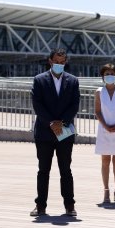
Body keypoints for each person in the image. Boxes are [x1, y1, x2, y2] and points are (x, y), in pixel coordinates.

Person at [30, 48, 80, 217]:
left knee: (66, 170)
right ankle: (40, 205)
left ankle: (69, 205)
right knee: (43, 170)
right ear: (50, 61)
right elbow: (37, 104)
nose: (59, 64)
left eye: (62, 62)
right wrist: (51, 122)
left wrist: (61, 122)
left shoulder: (73, 81)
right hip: (44, 131)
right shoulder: (39, 80)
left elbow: (74, 105)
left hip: (65, 130)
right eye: (57, 61)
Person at [94, 64, 115, 203]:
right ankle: (106, 191)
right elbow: (97, 111)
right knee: (105, 161)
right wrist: (105, 125)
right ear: (103, 77)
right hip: (104, 129)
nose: (109, 76)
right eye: (107, 73)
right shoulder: (98, 92)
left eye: (112, 73)